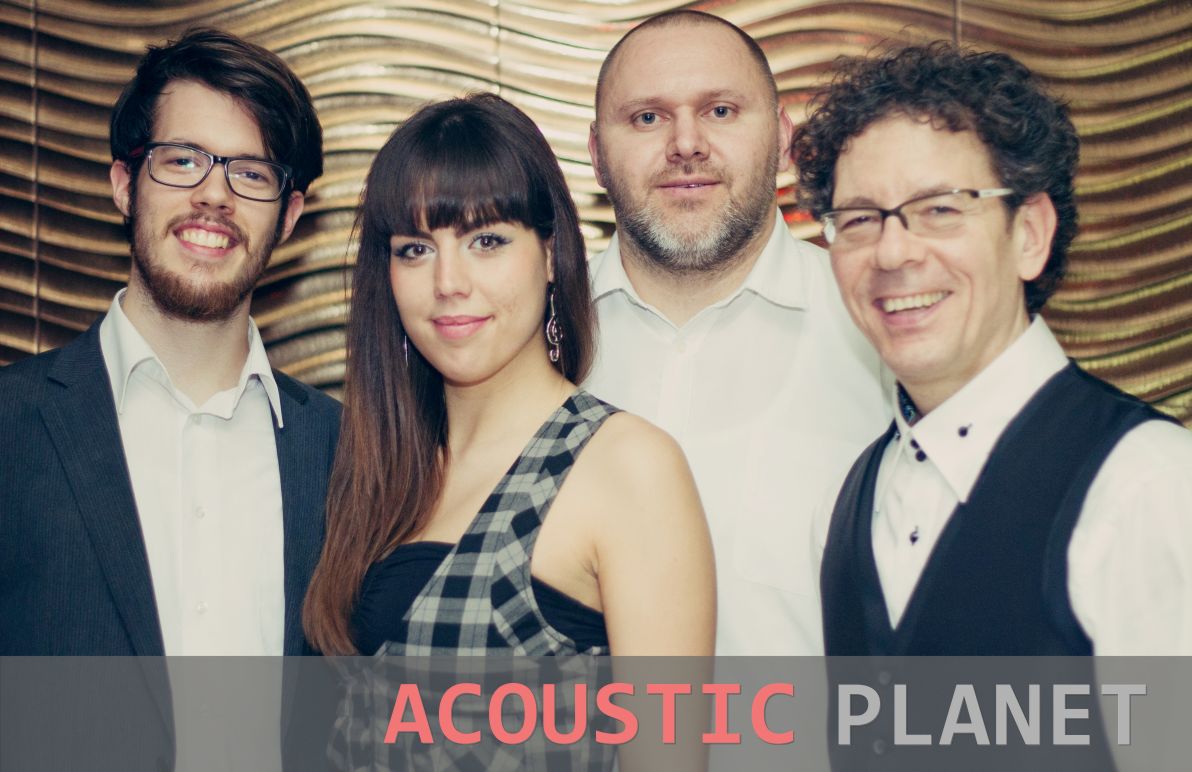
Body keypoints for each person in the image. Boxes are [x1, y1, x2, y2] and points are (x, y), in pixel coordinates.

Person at [0, 27, 339, 770]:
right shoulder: (12, 427)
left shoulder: (346, 454)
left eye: (250, 172)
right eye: (182, 160)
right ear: (126, 184)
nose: (213, 195)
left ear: (289, 215)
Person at [795, 42, 1192, 657]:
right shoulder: (844, 507)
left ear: (1028, 234)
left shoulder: (1146, 486)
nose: (892, 252)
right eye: (859, 219)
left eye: (939, 209)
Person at [302, 92, 714, 658]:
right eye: (416, 249)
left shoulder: (628, 466)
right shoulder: (377, 466)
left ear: (550, 254)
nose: (448, 282)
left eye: (486, 241)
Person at [585, 10, 889, 656]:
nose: (686, 144)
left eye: (720, 111)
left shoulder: (881, 323)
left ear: (782, 138)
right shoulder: (526, 335)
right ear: (596, 155)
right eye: (647, 117)